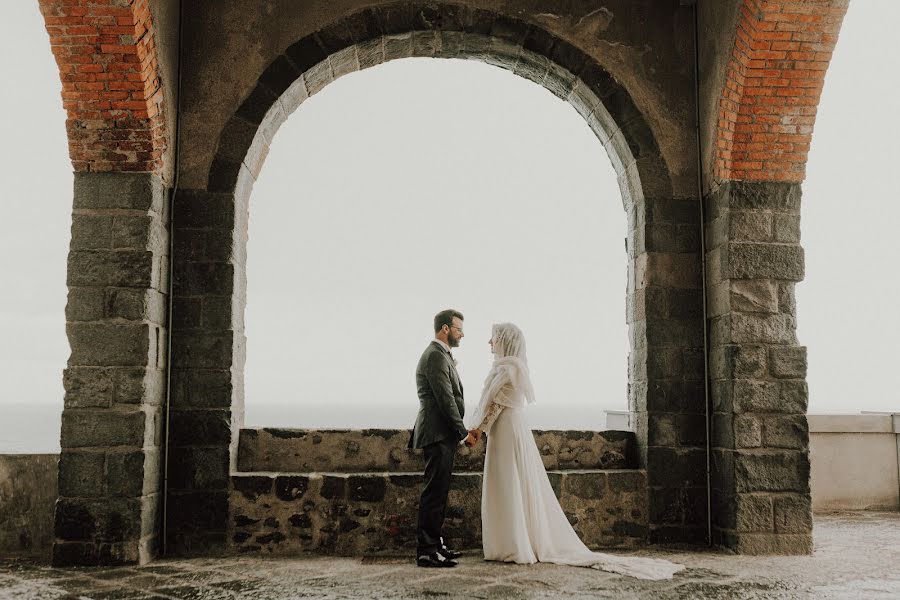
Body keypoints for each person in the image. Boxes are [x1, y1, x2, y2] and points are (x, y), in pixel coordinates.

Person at [467, 322, 685, 580]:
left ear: (505, 341)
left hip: (505, 429)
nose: (490, 343)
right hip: (507, 429)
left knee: (507, 481)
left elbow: (496, 406)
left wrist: (477, 431)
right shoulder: (509, 368)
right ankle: (510, 540)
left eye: (493, 339)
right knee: (507, 481)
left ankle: (513, 544)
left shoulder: (510, 369)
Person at [409, 309, 476, 568]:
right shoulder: (435, 356)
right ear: (445, 329)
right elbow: (445, 399)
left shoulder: (442, 355)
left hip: (441, 434)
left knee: (439, 493)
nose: (462, 334)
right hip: (437, 434)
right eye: (458, 329)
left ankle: (436, 545)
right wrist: (463, 434)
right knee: (433, 494)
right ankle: (426, 551)